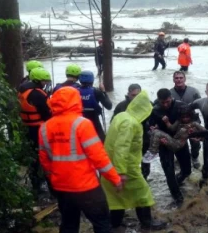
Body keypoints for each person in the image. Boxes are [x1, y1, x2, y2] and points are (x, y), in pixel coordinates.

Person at [38, 86, 123, 233]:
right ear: (76, 101)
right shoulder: (82, 124)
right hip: (86, 187)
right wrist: (115, 179)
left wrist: (54, 180)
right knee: (102, 223)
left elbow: (45, 162)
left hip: (62, 187)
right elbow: (99, 157)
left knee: (69, 225)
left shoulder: (44, 128)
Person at [101, 90, 167, 231]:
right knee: (142, 193)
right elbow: (121, 147)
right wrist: (121, 172)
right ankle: (147, 222)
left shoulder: (121, 115)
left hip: (108, 164)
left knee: (116, 195)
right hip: (126, 167)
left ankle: (115, 224)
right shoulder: (131, 124)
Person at [149, 88, 192, 206]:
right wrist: (152, 128)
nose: (165, 105)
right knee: (169, 171)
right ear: (159, 100)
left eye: (167, 102)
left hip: (179, 140)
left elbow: (193, 120)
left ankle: (177, 181)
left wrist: (191, 132)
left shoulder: (180, 105)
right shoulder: (155, 109)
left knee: (187, 170)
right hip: (164, 142)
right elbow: (149, 125)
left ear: (171, 98)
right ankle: (177, 198)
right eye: (163, 102)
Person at [18, 67, 52, 196]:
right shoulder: (37, 94)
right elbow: (46, 113)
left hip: (28, 126)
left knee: (34, 155)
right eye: (44, 81)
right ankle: (42, 183)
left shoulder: (23, 89)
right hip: (38, 128)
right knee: (43, 155)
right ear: (38, 81)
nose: (45, 84)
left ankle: (36, 182)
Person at [112, 84, 152, 180]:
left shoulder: (148, 104)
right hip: (127, 139)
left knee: (145, 161)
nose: (135, 98)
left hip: (144, 138)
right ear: (128, 94)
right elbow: (114, 123)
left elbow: (155, 119)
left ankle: (144, 178)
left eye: (138, 95)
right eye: (133, 95)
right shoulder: (121, 106)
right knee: (129, 161)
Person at [170, 71, 202, 169]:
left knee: (196, 143)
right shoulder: (169, 93)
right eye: (176, 78)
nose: (179, 80)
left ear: (185, 79)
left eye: (181, 78)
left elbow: (201, 106)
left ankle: (195, 157)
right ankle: (182, 159)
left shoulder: (194, 91)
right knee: (178, 144)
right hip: (178, 123)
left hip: (193, 121)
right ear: (173, 80)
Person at [78, 70, 112, 142]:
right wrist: (103, 91)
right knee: (103, 141)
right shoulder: (96, 91)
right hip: (94, 121)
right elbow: (109, 106)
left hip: (78, 121)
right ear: (92, 81)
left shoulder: (74, 91)